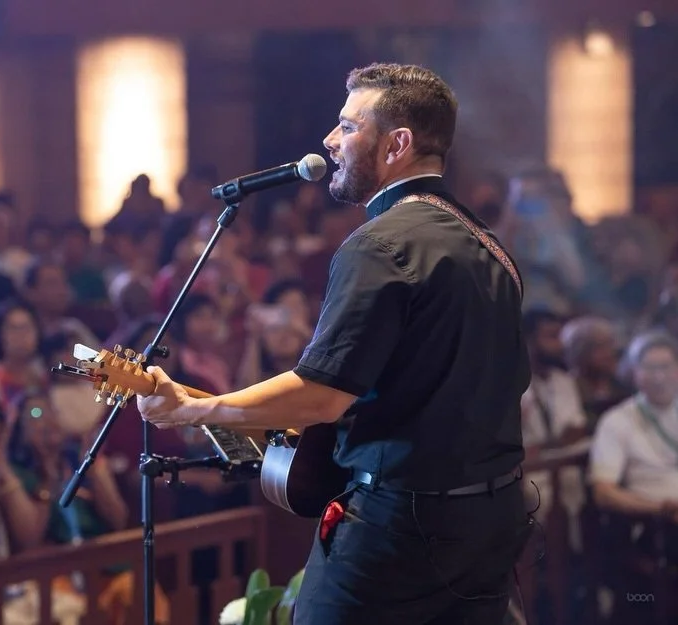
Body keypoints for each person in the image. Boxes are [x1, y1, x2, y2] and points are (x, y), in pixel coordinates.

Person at [137, 63, 533, 625]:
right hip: (490, 522)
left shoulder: (377, 244)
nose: (330, 140)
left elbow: (323, 396)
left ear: (398, 144)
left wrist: (194, 407)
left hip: (401, 532)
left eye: (349, 127)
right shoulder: (490, 248)